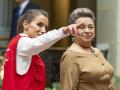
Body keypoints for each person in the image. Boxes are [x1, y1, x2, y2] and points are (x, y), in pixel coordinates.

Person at [2, 9, 79, 90]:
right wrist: (63, 31)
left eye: (45, 27)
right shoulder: (22, 43)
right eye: (39, 24)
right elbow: (41, 42)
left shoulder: (19, 43)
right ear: (25, 24)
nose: (44, 31)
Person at [60, 8, 115, 90]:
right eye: (82, 27)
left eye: (90, 27)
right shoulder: (70, 56)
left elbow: (108, 81)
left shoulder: (97, 51)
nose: (87, 30)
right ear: (73, 31)